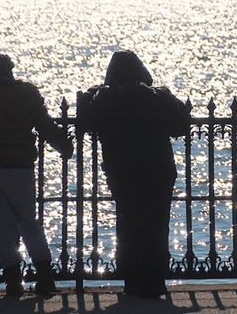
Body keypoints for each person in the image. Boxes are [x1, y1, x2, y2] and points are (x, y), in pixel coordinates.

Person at [78, 50, 189, 298]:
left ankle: (132, 280)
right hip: (158, 168)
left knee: (128, 223)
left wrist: (92, 93)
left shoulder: (105, 98)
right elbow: (181, 124)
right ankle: (155, 280)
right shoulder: (158, 96)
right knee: (157, 224)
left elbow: (86, 122)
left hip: (122, 169)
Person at [0, 54, 73, 297]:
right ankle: (45, 275)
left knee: (2, 223)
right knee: (28, 221)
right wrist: (64, 146)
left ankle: (13, 279)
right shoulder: (28, 94)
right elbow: (45, 125)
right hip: (22, 166)